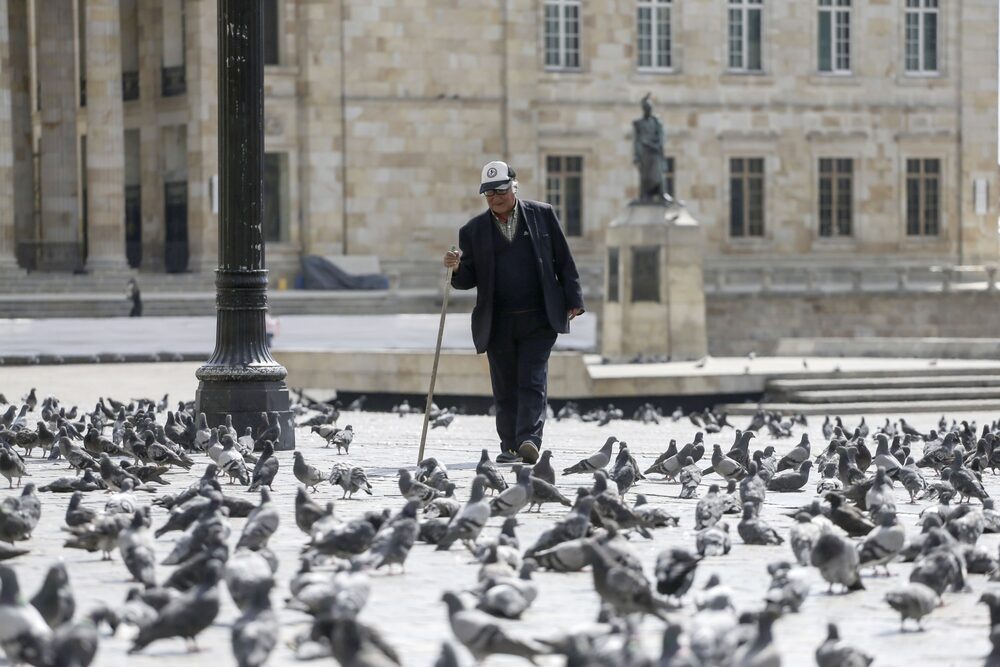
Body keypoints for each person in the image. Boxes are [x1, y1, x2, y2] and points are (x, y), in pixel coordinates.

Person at [443, 161, 585, 464]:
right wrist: (456, 269)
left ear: (514, 187)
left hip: (539, 316)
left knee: (532, 380)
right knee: (505, 385)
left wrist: (574, 298)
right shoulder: (473, 230)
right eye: (489, 192)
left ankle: (529, 440)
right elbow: (468, 279)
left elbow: (563, 260)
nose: (496, 197)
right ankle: (509, 446)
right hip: (499, 321)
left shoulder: (542, 215)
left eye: (501, 190)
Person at [633, 93, 667, 202]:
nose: (648, 109)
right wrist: (636, 156)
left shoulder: (657, 122)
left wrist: (657, 146)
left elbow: (661, 136)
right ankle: (645, 195)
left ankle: (662, 193)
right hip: (645, 152)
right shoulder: (639, 123)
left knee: (658, 174)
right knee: (646, 177)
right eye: (646, 107)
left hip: (655, 151)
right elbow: (636, 141)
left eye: (650, 107)